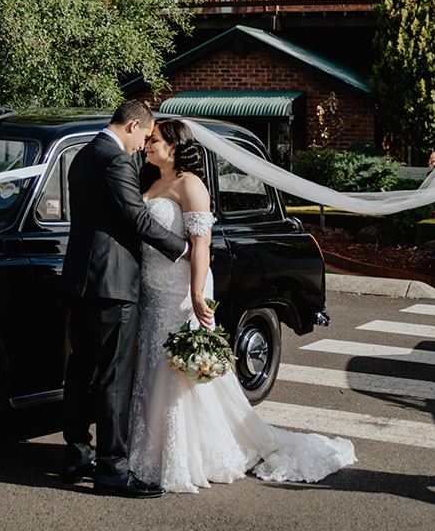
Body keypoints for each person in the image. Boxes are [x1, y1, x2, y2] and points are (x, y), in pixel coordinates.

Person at [127, 117, 356, 494]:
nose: (148, 145)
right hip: (151, 287)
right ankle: (148, 448)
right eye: (148, 139)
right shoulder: (150, 180)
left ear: (175, 146)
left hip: (181, 287)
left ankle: (185, 453)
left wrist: (198, 294)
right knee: (151, 367)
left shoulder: (192, 186)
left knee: (177, 373)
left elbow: (200, 246)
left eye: (154, 140)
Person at [60, 101, 188, 498]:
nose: (141, 147)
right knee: (114, 376)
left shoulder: (82, 154)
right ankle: (112, 470)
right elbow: (136, 217)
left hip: (81, 279)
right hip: (112, 282)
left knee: (80, 370)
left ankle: (77, 453)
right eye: (143, 137)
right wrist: (180, 248)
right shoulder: (115, 160)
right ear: (133, 125)